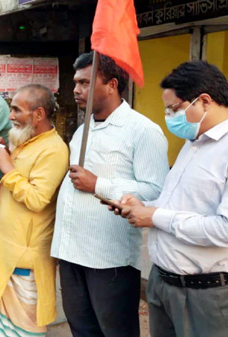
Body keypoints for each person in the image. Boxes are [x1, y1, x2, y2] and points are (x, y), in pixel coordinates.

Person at [114, 61, 228, 337]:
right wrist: (145, 207)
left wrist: (155, 216)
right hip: (163, 283)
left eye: (175, 108)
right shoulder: (193, 142)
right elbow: (182, 203)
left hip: (207, 294)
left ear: (204, 101)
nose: (169, 116)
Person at [50, 52, 169, 337]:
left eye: (85, 83)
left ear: (112, 84)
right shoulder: (83, 129)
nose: (76, 90)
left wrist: (99, 184)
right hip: (70, 252)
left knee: (115, 332)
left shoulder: (143, 131)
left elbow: (156, 191)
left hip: (108, 259)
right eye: (76, 83)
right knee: (82, 329)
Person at [0, 84, 69, 337]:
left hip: (22, 256)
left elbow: (37, 199)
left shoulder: (54, 149)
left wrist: (7, 166)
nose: (11, 116)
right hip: (1, 248)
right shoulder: (24, 140)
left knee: (21, 329)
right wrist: (3, 150)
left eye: (17, 110)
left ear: (38, 115)